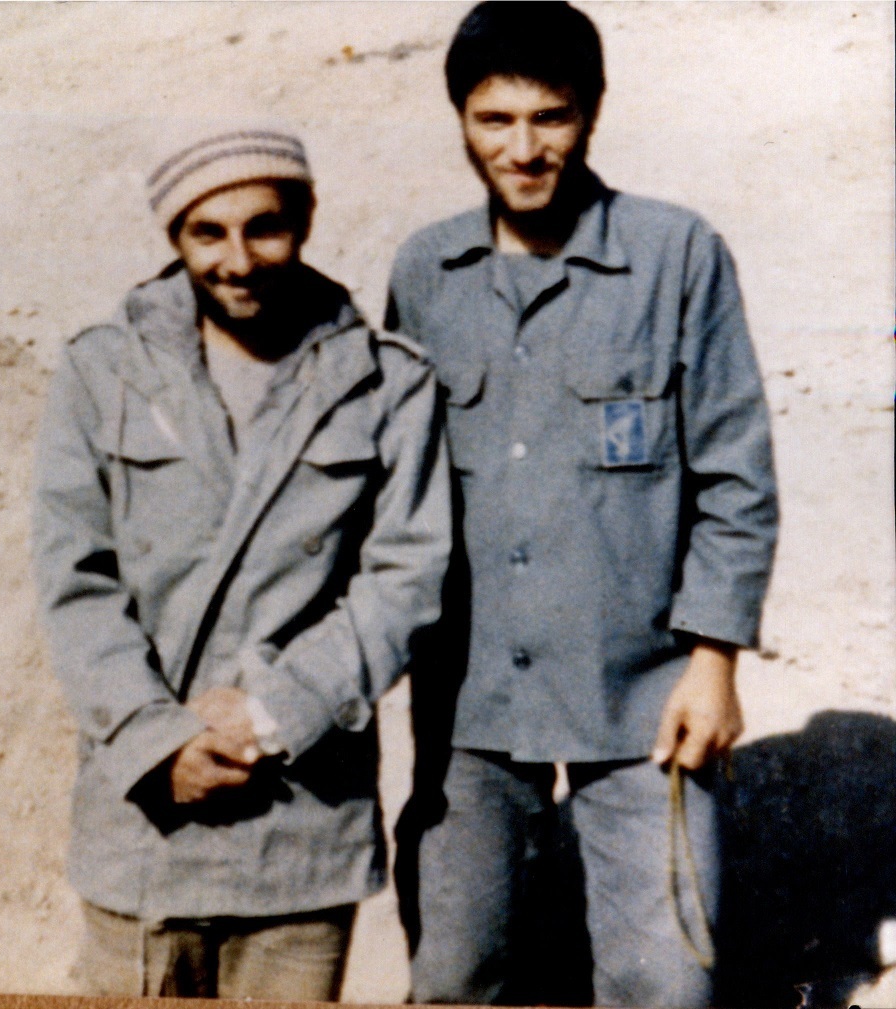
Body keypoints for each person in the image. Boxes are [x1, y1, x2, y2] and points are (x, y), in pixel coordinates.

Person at [384, 4, 779, 1006]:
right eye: (494, 119)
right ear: (461, 121)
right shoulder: (425, 272)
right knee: (454, 973)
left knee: (666, 983)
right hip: (470, 692)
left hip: (642, 692)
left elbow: (735, 473)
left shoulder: (675, 254)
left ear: (592, 112)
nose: (522, 150)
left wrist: (714, 660)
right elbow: (395, 481)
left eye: (549, 117)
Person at [32, 125, 450, 999]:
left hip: (301, 825)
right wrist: (159, 741)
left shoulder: (386, 382)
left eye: (265, 226)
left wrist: (273, 713)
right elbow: (76, 585)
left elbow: (405, 577)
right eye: (207, 232)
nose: (239, 260)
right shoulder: (102, 371)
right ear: (173, 234)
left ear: (306, 219)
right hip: (145, 821)